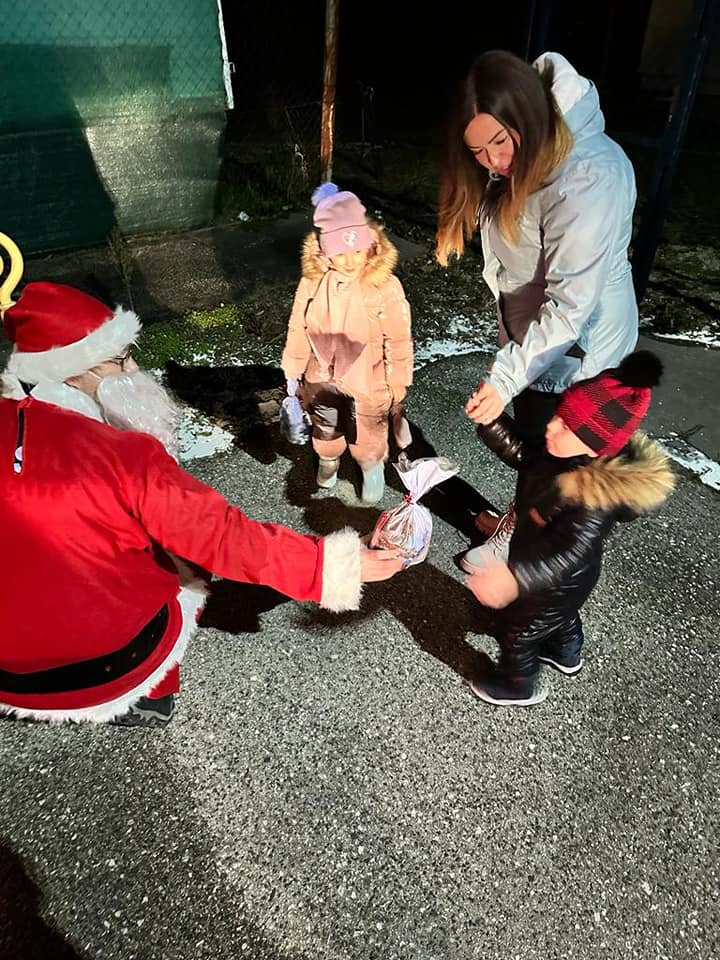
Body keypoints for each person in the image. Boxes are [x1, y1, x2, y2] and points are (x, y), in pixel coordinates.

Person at [0, 280, 403, 726]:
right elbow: (223, 537)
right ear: (72, 374)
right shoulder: (125, 457)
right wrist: (333, 564)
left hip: (11, 670)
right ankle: (152, 702)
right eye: (121, 359)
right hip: (108, 661)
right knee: (179, 572)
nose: (135, 369)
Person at [435, 50, 639, 569]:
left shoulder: (588, 177)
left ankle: (537, 577)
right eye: (477, 151)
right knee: (539, 462)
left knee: (562, 478)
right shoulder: (528, 152)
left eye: (499, 143)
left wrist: (505, 378)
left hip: (580, 354)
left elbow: (571, 305)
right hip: (539, 344)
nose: (492, 162)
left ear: (527, 115)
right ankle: (521, 529)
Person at [463, 351, 674, 707]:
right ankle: (566, 652)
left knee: (516, 632)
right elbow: (524, 454)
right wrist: (492, 423)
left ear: (595, 444)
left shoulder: (593, 500)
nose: (551, 426)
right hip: (556, 582)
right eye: (558, 415)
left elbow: (567, 554)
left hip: (552, 580)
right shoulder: (560, 453)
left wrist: (514, 579)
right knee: (559, 618)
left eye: (566, 425)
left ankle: (517, 685)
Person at [281, 182, 414, 505]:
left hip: (370, 378)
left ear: (369, 244)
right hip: (321, 374)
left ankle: (371, 466)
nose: (350, 261)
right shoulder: (313, 282)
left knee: (369, 427)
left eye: (357, 250)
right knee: (326, 422)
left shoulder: (383, 285)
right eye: (340, 253)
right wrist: (293, 368)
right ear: (325, 251)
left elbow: (398, 337)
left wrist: (398, 378)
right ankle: (328, 457)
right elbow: (298, 325)